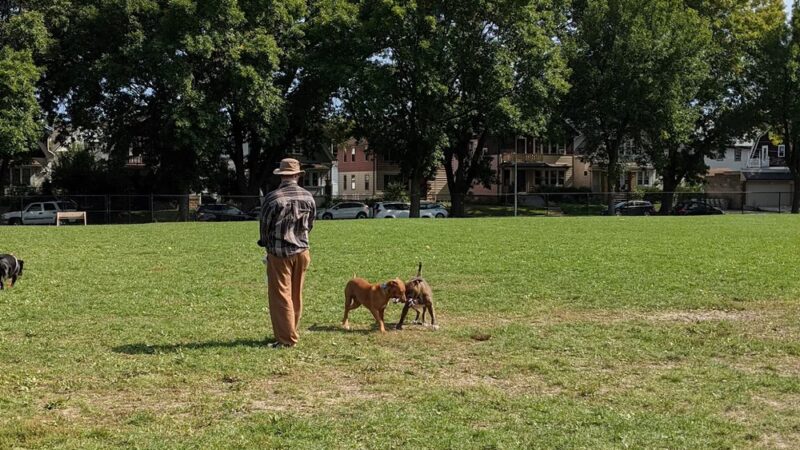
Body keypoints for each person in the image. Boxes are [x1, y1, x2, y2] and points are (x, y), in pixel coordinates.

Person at [258, 158, 316, 348]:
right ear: (297, 175)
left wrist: (266, 245)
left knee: (281, 296)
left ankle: (286, 339)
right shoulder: (309, 197)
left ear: (281, 176)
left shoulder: (273, 198)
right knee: (296, 294)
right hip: (302, 250)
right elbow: (310, 225)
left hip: (280, 253)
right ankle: (291, 330)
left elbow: (264, 228)